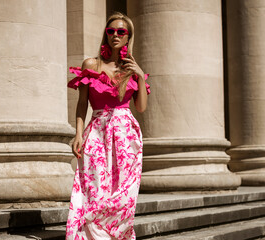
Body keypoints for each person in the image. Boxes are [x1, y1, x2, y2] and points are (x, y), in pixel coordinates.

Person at [66, 12, 150, 240]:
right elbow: (82, 104)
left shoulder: (131, 69)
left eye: (121, 31)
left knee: (124, 192)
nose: (115, 35)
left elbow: (141, 107)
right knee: (95, 189)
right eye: (111, 30)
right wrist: (78, 134)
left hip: (126, 136)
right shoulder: (92, 64)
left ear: (127, 37)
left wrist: (141, 76)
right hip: (97, 133)